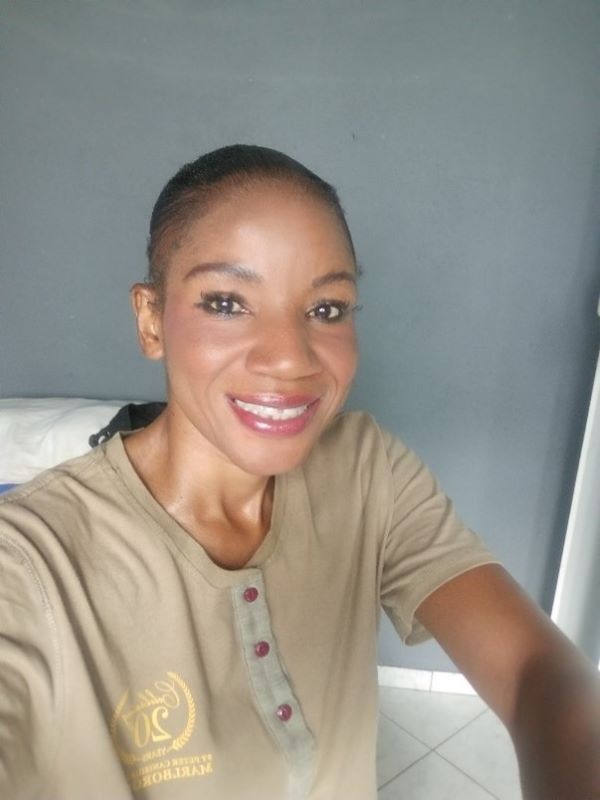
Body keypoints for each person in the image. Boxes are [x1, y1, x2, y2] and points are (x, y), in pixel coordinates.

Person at [0, 145, 599, 800]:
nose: (291, 359)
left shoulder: (368, 469)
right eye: (226, 302)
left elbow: (538, 673)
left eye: (326, 309)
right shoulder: (29, 564)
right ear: (151, 320)